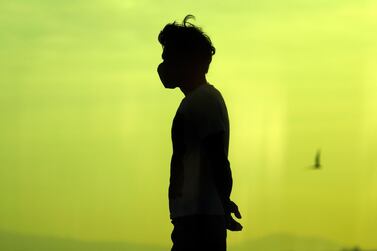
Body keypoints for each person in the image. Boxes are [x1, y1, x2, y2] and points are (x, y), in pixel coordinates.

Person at [157, 15, 242, 251]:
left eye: (168, 57)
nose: (163, 65)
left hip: (199, 222)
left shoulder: (202, 101)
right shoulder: (198, 101)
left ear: (186, 60)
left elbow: (218, 158)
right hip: (193, 218)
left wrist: (223, 203)